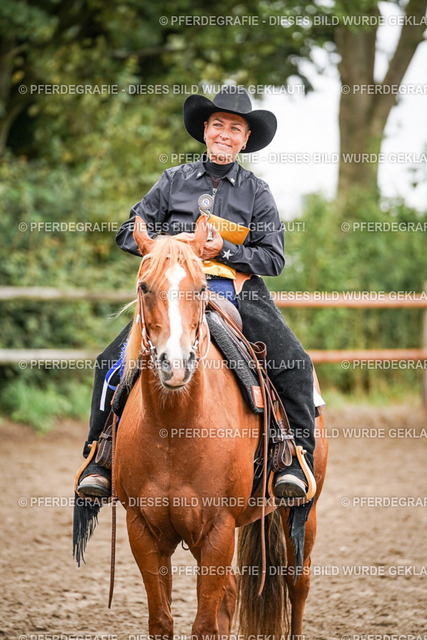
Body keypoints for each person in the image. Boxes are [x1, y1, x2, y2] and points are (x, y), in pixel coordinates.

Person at [77, 85, 315, 501]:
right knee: (109, 363)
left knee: (295, 362)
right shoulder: (173, 180)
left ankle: (296, 458)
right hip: (172, 288)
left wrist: (225, 250)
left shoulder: (257, 192)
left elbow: (274, 259)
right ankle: (100, 456)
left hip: (236, 290)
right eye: (218, 125)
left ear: (245, 140)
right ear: (205, 130)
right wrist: (168, 246)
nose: (225, 134)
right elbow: (127, 232)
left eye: (235, 129)